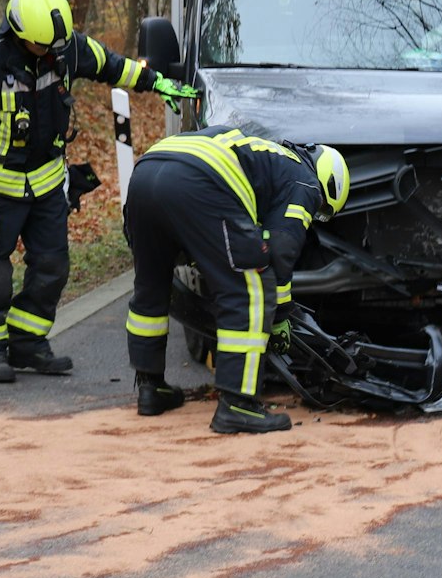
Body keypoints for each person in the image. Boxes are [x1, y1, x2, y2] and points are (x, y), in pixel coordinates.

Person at [0, 0, 200, 383]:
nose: (51, 54)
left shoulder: (66, 48)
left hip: (47, 185)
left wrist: (156, 82)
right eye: (42, 46)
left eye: (56, 47)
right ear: (18, 32)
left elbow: (112, 65)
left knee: (53, 266)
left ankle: (28, 342)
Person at [122, 126, 349, 434]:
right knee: (250, 289)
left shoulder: (269, 155)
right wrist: (281, 315)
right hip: (197, 179)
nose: (314, 214)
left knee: (151, 285)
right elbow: (281, 248)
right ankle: (238, 405)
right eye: (320, 211)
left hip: (146, 174)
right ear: (327, 182)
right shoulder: (305, 181)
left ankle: (151, 388)